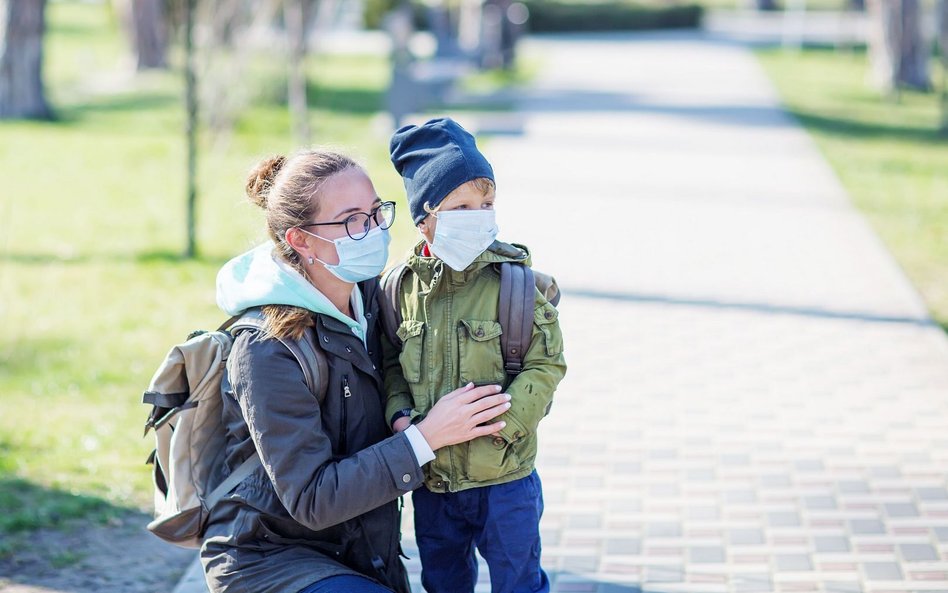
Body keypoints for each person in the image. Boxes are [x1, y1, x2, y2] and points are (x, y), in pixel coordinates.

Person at [201, 149, 513, 593]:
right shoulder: (267, 349)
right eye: (352, 220)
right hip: (273, 562)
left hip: (361, 552)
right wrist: (425, 438)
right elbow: (313, 497)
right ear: (301, 240)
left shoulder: (373, 297)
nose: (372, 231)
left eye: (374, 213)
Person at [383, 118, 568, 593]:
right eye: (462, 205)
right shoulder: (399, 290)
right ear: (425, 218)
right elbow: (389, 362)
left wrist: (508, 425)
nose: (479, 215)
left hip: (504, 478)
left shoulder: (515, 283)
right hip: (435, 482)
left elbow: (546, 363)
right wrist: (400, 415)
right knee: (443, 582)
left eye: (486, 204)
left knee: (520, 583)